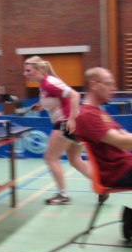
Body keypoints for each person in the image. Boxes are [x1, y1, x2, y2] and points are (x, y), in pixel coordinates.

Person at [23, 56, 92, 204]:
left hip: (66, 123)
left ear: (39, 69)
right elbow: (59, 100)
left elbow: (74, 95)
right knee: (75, 160)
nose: (25, 73)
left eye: (28, 70)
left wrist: (71, 119)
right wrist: (41, 106)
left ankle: (63, 194)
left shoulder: (49, 83)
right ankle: (103, 184)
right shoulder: (44, 84)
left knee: (50, 157)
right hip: (73, 122)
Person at [75, 67, 132, 189]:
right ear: (93, 85)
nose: (114, 89)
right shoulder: (87, 115)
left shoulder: (99, 113)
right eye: (109, 84)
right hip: (118, 173)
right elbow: (122, 142)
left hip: (126, 165)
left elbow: (123, 134)